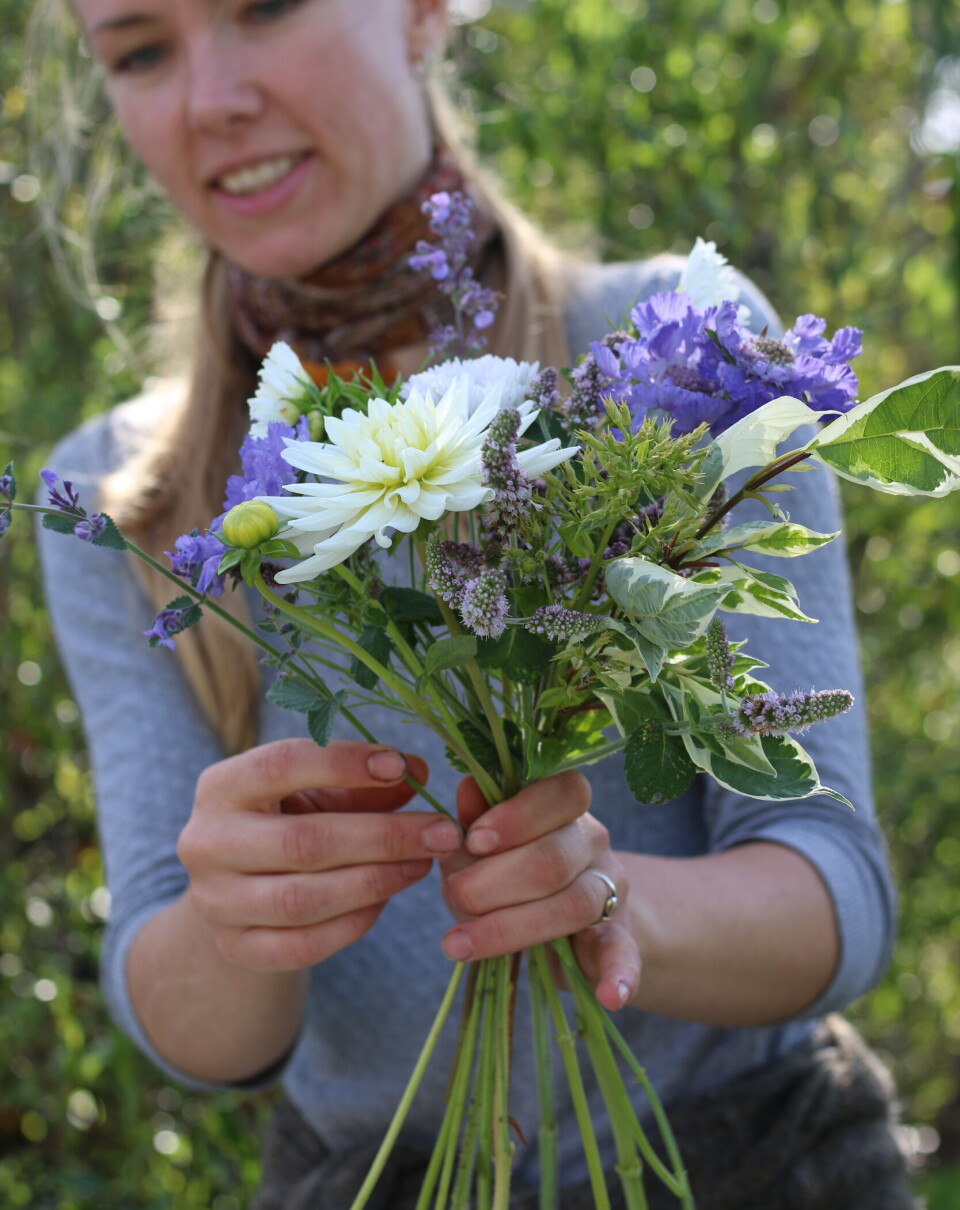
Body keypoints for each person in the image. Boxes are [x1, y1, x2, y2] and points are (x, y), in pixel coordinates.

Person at [36, 1, 915, 1206]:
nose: (209, 99)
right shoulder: (122, 503)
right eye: (140, 50)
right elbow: (194, 1026)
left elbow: (836, 892)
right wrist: (239, 918)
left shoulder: (678, 360)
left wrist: (604, 896)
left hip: (755, 1160)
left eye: (266, 7)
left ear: (423, 13)